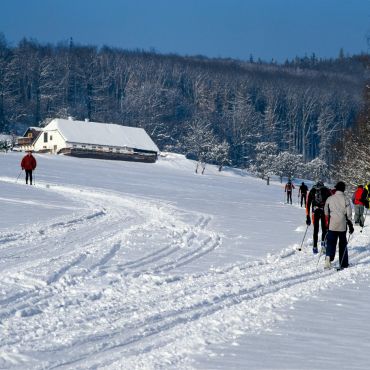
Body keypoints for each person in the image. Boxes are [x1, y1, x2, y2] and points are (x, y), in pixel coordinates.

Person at [324, 181, 353, 269]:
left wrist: (328, 218)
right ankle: (343, 263)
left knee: (331, 242)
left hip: (332, 224)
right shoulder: (346, 199)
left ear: (336, 188)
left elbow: (326, 209)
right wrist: (350, 224)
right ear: (343, 189)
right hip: (342, 224)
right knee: (342, 243)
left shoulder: (330, 198)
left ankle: (329, 256)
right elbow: (349, 213)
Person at [305, 180, 332, 254]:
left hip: (315, 211)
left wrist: (307, 216)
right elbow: (332, 202)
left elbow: (308, 204)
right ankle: (323, 243)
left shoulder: (312, 190)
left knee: (315, 229)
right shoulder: (326, 190)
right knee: (325, 228)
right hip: (324, 211)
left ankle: (314, 247)